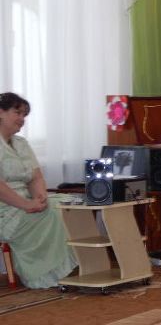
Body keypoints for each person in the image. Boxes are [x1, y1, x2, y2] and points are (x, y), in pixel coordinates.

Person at [0, 92, 77, 288]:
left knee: (69, 204)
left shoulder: (21, 143)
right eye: (17, 113)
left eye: (24, 115)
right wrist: (26, 205)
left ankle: (72, 266)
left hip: (26, 202)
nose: (22, 119)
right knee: (53, 214)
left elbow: (36, 177)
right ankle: (45, 274)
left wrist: (40, 199)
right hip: (4, 208)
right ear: (0, 112)